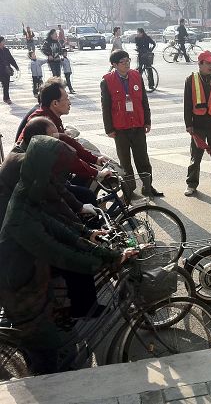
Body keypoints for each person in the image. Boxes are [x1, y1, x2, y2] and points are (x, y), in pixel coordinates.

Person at [0, 135, 136, 375]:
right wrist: (107, 259)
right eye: (56, 173)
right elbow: (59, 253)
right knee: (47, 358)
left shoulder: (27, 192)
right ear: (44, 172)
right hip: (22, 292)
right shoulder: (21, 216)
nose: (59, 179)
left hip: (36, 279)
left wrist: (87, 235)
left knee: (62, 332)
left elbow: (55, 224)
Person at [101, 49, 163, 197]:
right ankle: (130, 189)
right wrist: (109, 128)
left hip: (138, 125)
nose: (126, 64)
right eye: (122, 62)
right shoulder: (107, 81)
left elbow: (144, 100)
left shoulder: (136, 76)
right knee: (125, 161)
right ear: (114, 65)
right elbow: (106, 106)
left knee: (143, 159)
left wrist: (147, 121)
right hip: (120, 128)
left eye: (128, 60)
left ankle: (147, 187)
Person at [184, 50, 211, 196]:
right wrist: (188, 124)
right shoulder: (191, 80)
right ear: (200, 64)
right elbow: (187, 104)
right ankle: (191, 184)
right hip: (197, 126)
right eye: (208, 63)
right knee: (195, 158)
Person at [0, 36, 19, 105]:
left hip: (6, 70)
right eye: (3, 41)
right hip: (0, 70)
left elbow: (11, 59)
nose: (4, 42)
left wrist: (16, 67)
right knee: (5, 84)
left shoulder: (6, 50)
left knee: (6, 84)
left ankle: (6, 98)